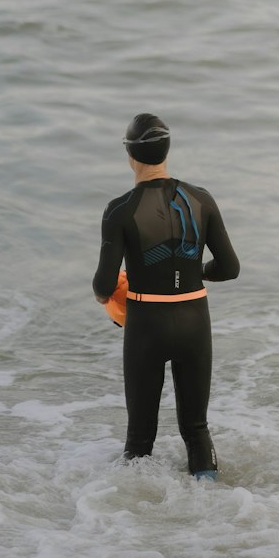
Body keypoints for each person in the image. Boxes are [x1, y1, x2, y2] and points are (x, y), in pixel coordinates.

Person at [93, 113, 240, 480]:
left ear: (130, 154)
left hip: (146, 324)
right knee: (196, 429)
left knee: (140, 437)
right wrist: (194, 272)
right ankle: (215, 506)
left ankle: (122, 520)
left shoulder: (120, 209)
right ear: (167, 150)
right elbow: (229, 267)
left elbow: (102, 284)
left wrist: (110, 299)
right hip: (194, 320)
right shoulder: (201, 199)